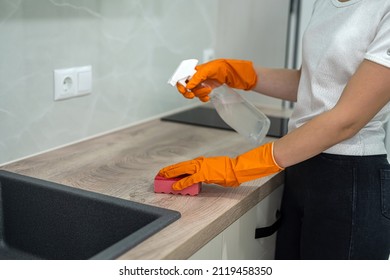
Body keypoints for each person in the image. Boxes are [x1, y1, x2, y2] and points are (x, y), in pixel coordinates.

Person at [158, 0, 390, 259]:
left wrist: (237, 167)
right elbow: (310, 84)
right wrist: (234, 73)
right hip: (302, 165)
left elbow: (347, 120)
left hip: (350, 182)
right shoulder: (325, 2)